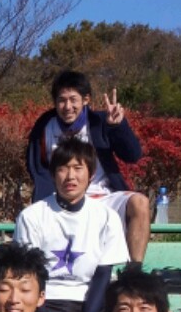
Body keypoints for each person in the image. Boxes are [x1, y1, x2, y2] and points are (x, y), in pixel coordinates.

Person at [14, 137, 128, 312]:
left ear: (91, 174)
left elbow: (103, 274)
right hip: (47, 300)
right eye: (63, 168)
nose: (70, 176)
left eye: (78, 168)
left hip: (93, 302)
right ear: (53, 174)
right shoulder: (32, 216)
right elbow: (30, 274)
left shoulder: (107, 217)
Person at [26, 70, 149, 262]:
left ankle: (134, 270)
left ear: (86, 99)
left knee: (140, 203)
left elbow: (133, 156)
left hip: (102, 197)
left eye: (73, 100)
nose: (67, 107)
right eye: (61, 100)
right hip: (61, 200)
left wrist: (118, 127)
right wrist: (45, 199)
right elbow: (37, 168)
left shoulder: (101, 121)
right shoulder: (44, 127)